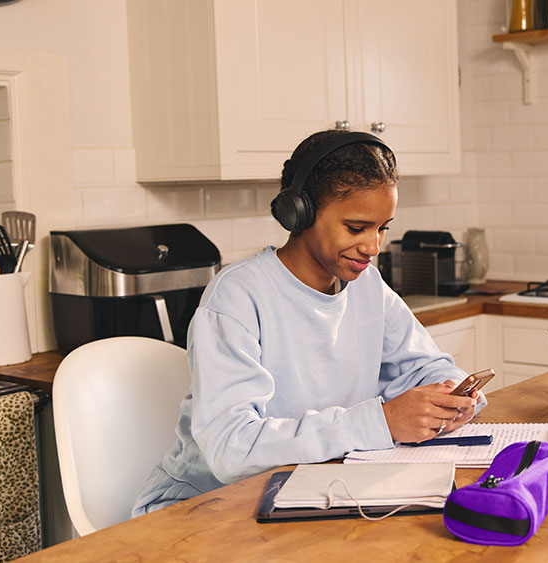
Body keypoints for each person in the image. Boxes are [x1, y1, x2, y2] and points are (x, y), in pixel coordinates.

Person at [132, 130, 486, 516]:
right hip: (204, 503)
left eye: (383, 227)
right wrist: (381, 421)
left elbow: (424, 366)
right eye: (356, 228)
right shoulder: (238, 296)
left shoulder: (366, 283)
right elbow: (231, 448)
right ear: (298, 212)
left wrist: (451, 394)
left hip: (311, 488)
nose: (373, 246)